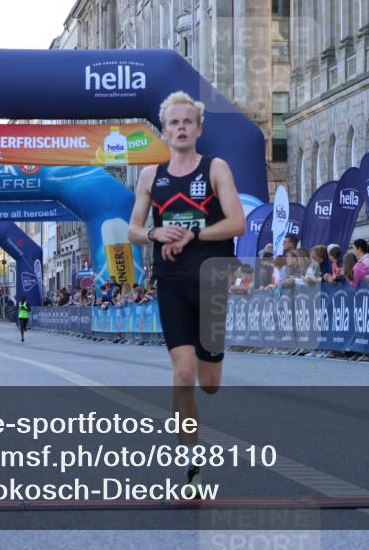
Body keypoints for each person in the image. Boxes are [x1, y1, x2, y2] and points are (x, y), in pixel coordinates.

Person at [127, 91, 245, 495]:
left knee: (209, 383)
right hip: (173, 279)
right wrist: (153, 233)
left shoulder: (215, 168)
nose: (180, 128)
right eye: (173, 123)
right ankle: (191, 462)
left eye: (187, 122)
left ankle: (210, 361)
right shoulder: (150, 176)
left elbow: (237, 224)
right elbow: (133, 229)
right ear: (165, 131)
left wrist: (193, 234)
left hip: (212, 279)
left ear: (198, 128)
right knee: (181, 375)